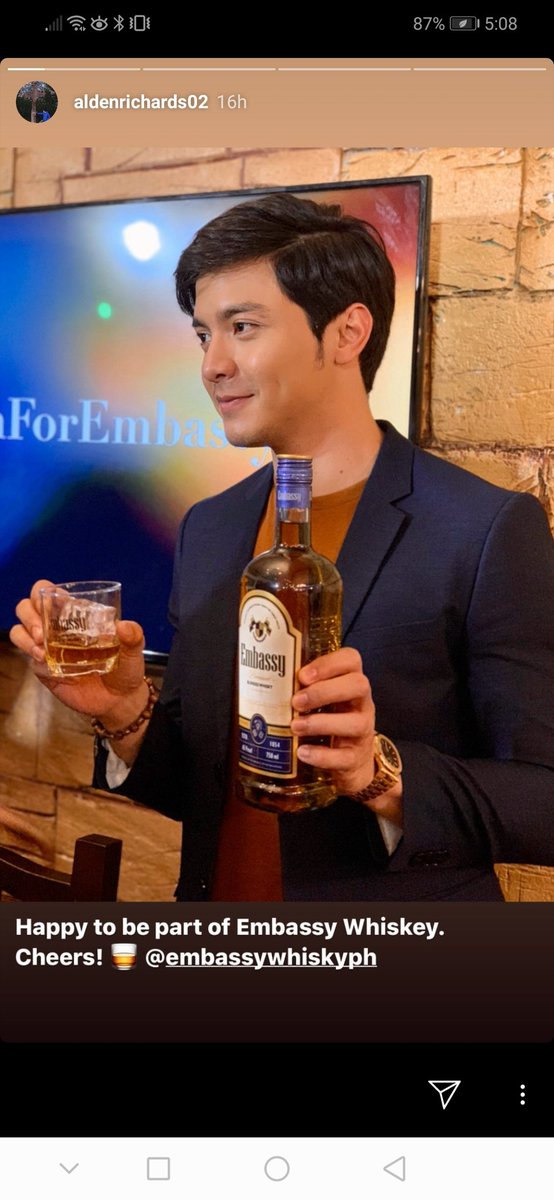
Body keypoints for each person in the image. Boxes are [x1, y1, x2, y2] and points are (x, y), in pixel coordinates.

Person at [11, 192, 554, 902]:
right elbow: (204, 788)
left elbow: (543, 802)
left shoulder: (483, 528)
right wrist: (124, 711)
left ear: (347, 332)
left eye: (242, 327)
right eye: (203, 334)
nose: (213, 364)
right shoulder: (210, 526)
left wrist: (378, 773)